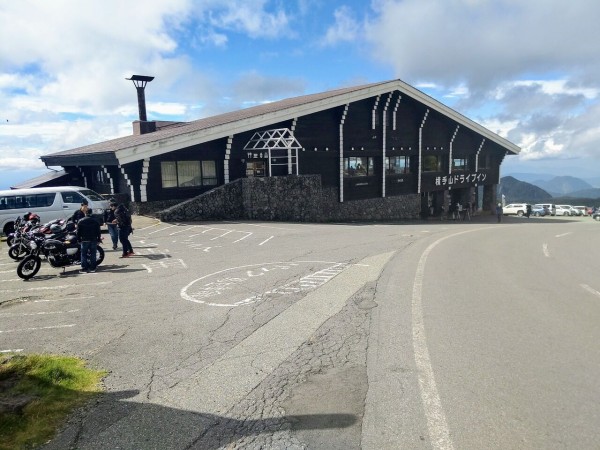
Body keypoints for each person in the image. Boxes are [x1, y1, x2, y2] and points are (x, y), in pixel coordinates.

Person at [76, 208, 101, 273]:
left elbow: (78, 231)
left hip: (84, 239)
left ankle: (84, 268)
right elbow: (98, 231)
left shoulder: (81, 221)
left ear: (85, 213)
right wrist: (98, 238)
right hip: (93, 238)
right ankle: (93, 268)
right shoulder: (95, 221)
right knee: (93, 253)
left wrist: (78, 239)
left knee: (84, 254)